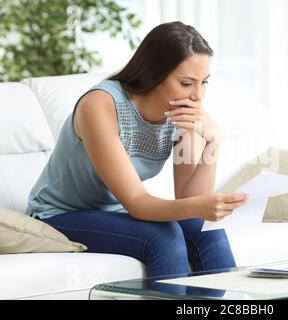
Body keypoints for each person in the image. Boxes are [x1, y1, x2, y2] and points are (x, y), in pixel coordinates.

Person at [25, 21, 249, 277]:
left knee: (206, 231)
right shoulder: (100, 105)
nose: (198, 95)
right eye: (186, 83)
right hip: (58, 215)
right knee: (163, 235)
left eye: (204, 82)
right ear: (155, 74)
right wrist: (199, 207)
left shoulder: (185, 116)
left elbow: (192, 202)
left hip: (115, 213)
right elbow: (138, 204)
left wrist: (213, 141)